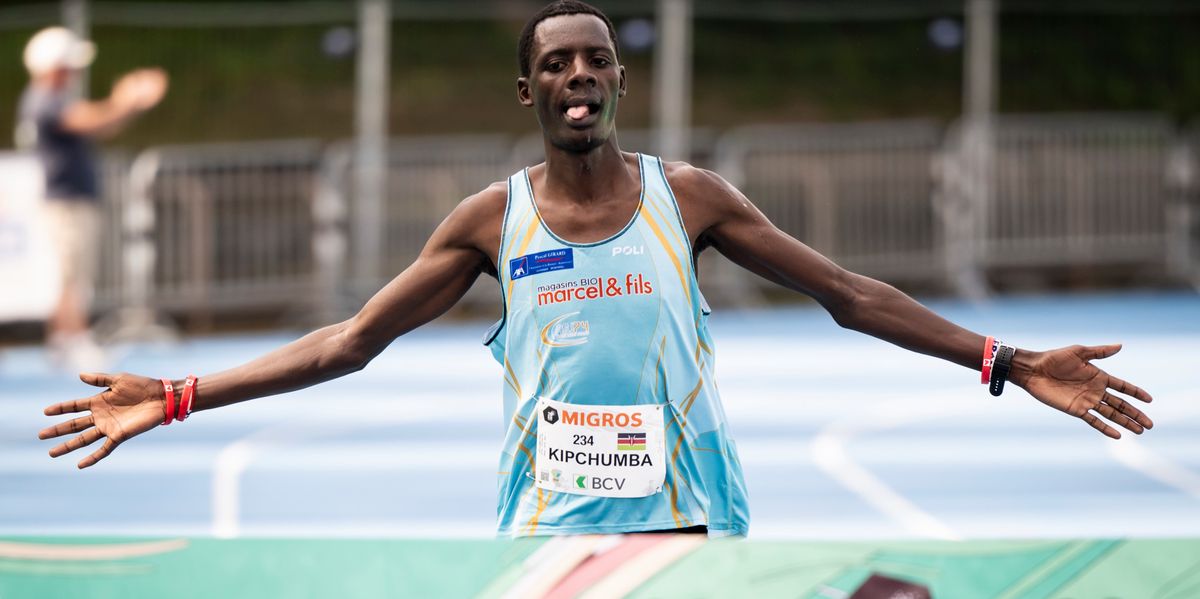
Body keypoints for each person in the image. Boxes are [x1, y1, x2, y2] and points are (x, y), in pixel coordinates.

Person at [39, 1, 1153, 538]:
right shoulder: (490, 221)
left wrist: (1005, 358)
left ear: (618, 82)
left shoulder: (692, 199)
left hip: (692, 519)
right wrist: (180, 394)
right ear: (529, 94)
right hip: (550, 522)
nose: (578, 75)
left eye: (595, 60)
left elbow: (852, 294)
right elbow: (348, 343)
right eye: (554, 64)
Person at [16, 26, 167, 370]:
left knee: (71, 273)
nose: (76, 72)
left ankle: (62, 340)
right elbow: (92, 119)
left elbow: (101, 124)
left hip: (69, 199)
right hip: (65, 200)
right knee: (73, 274)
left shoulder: (49, 99)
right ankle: (75, 338)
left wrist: (129, 105)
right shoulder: (45, 100)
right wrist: (126, 99)